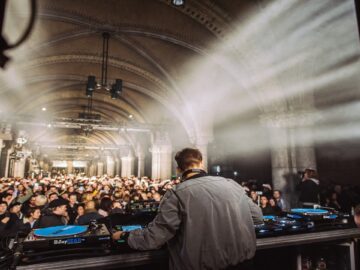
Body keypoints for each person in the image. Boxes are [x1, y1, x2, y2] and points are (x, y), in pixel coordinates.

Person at [113, 147, 263, 270]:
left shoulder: (176, 193)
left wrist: (125, 236)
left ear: (178, 169)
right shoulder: (231, 184)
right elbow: (257, 217)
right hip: (245, 264)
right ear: (201, 164)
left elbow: (156, 237)